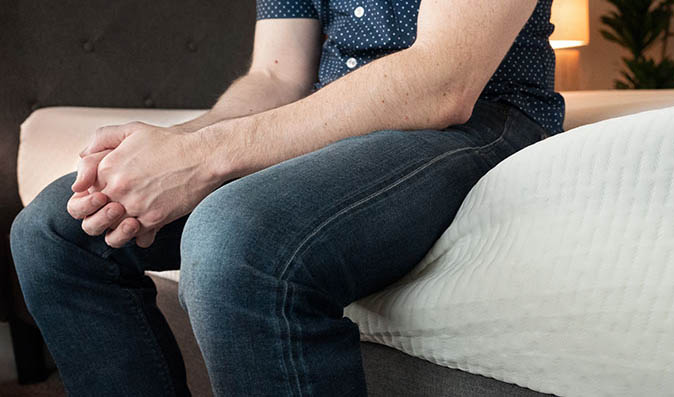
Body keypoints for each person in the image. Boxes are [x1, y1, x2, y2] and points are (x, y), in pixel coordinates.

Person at [10, 0, 564, 395]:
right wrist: (179, 146)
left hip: (480, 121)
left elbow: (443, 79)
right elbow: (276, 79)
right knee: (55, 233)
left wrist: (207, 157)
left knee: (236, 243)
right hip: (325, 121)